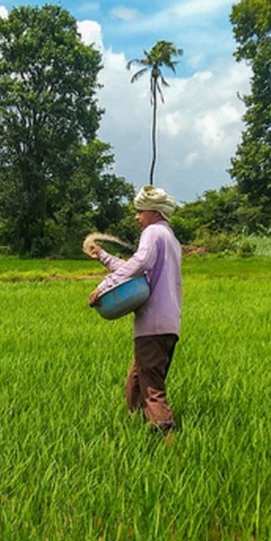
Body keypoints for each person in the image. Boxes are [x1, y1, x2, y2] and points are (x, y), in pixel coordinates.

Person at [86, 185, 182, 433]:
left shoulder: (152, 232)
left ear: (154, 212)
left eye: (140, 211)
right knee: (136, 385)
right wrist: (103, 257)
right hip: (168, 325)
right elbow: (140, 269)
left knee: (151, 388)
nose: (137, 217)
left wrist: (104, 286)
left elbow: (139, 264)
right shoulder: (169, 237)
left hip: (153, 324)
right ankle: (135, 435)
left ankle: (170, 444)